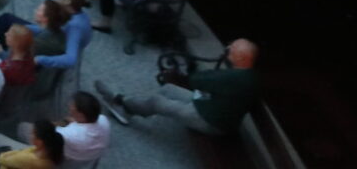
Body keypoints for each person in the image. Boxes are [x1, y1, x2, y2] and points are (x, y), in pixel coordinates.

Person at [98, 38, 260, 135]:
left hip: (211, 121)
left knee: (157, 102)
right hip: (209, 106)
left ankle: (122, 103)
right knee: (168, 89)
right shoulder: (247, 75)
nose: (227, 48)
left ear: (240, 57)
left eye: (232, 48)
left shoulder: (234, 77)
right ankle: (132, 107)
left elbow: (198, 80)